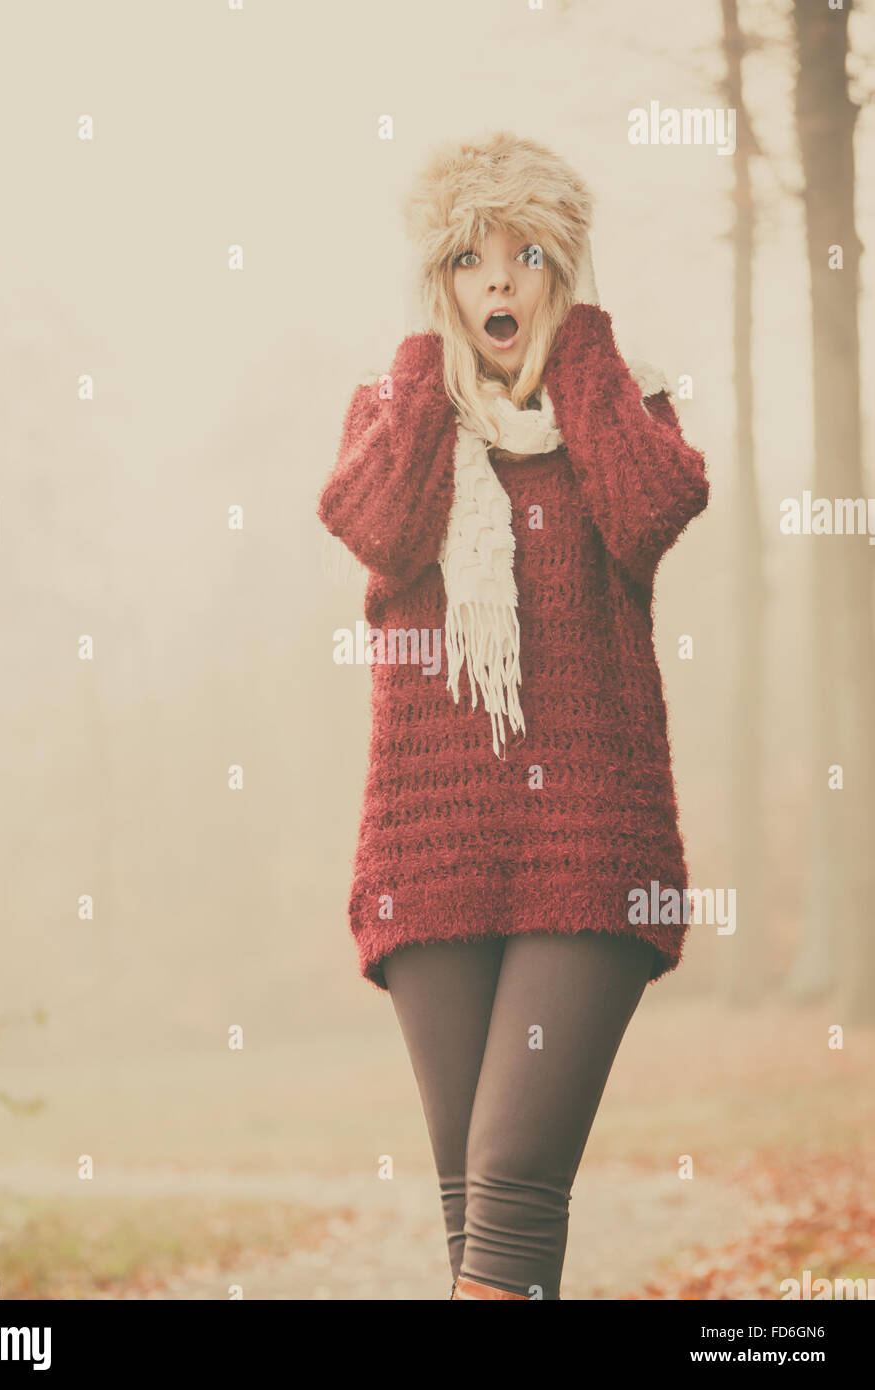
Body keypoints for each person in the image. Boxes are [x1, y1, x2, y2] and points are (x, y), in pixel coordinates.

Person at [317, 130, 710, 1300]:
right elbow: (379, 529)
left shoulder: (624, 413)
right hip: (433, 853)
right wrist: (431, 382)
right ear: (438, 280)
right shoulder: (393, 416)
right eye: (469, 258)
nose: (498, 280)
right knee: (476, 1229)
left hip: (591, 848)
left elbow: (647, 513)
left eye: (528, 254)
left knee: (511, 1180)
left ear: (564, 270)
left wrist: (580, 356)